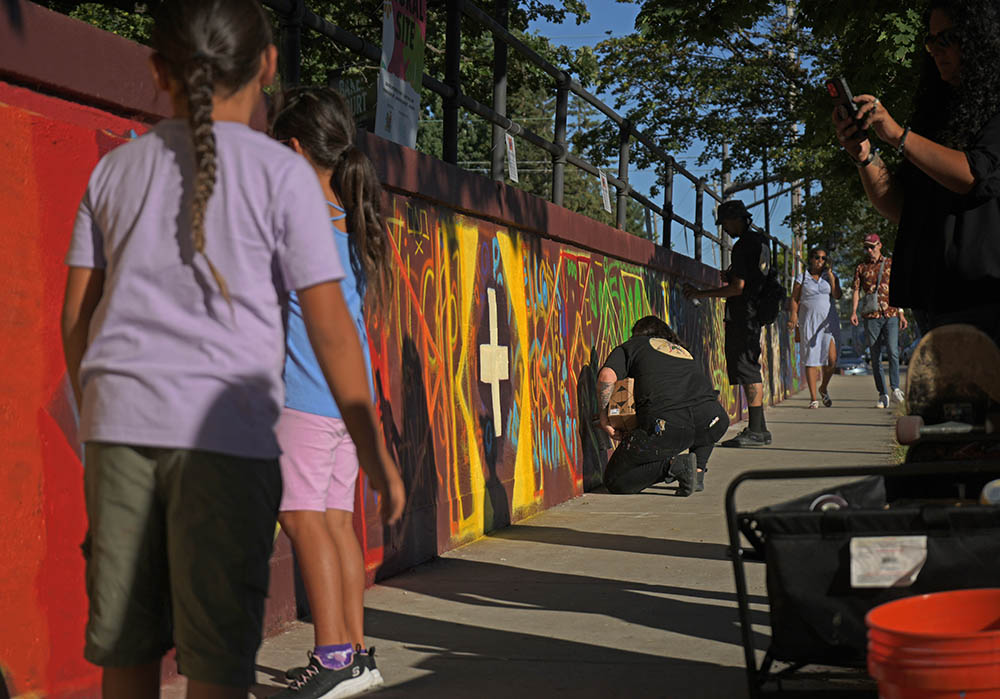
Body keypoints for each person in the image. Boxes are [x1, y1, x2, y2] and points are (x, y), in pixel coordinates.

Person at [59, 2, 404, 698]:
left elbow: (77, 319)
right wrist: (374, 451)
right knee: (217, 656)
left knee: (126, 647)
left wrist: (98, 414)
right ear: (268, 66)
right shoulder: (285, 182)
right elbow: (333, 328)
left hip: (122, 434)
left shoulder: (114, 172)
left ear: (157, 70)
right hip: (226, 440)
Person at [268, 86, 394, 698]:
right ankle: (356, 656)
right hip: (348, 403)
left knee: (302, 520)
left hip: (302, 397)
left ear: (292, 148)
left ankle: (334, 657)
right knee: (337, 524)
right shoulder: (350, 220)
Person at [833, 0, 1000, 345]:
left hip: (985, 296)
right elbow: (900, 208)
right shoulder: (936, 115)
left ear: (978, 38)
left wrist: (897, 135)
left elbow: (973, 175)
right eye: (930, 41)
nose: (936, 51)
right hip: (935, 298)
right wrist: (865, 157)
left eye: (947, 39)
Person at [597, 316, 730, 495]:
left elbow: (606, 377)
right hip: (714, 418)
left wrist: (605, 417)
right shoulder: (682, 351)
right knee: (702, 420)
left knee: (616, 479)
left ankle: (676, 467)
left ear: (638, 334)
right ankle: (696, 472)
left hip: (669, 426)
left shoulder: (633, 346)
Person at [683, 199, 772, 446]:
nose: (724, 230)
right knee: (751, 367)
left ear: (735, 220)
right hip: (755, 312)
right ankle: (760, 429)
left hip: (744, 314)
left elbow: (737, 289)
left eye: (725, 224)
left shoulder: (743, 246)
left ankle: (755, 430)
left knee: (747, 368)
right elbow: (752, 276)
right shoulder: (761, 241)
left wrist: (700, 294)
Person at [850, 234, 909, 408]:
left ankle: (895, 388)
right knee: (874, 355)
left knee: (893, 351)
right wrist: (853, 311)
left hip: (890, 313)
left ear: (879, 245)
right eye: (866, 247)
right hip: (871, 316)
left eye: (872, 247)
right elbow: (855, 290)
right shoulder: (861, 267)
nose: (869, 250)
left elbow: (897, 289)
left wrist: (901, 313)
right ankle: (883, 394)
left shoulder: (891, 264)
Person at [788, 247, 842, 408]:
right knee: (811, 359)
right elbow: (794, 298)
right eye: (817, 257)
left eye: (823, 258)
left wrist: (832, 277)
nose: (820, 261)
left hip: (828, 324)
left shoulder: (829, 277)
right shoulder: (802, 277)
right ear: (811, 259)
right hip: (809, 322)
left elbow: (837, 295)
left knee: (832, 359)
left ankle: (823, 387)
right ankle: (813, 398)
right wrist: (793, 315)